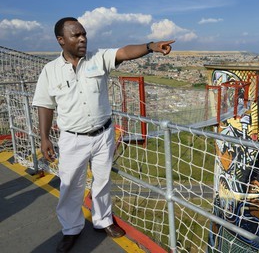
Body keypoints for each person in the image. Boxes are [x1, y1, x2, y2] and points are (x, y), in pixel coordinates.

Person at [32, 17, 175, 253]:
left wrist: (150, 46)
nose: (82, 38)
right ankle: (71, 229)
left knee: (102, 181)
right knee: (70, 186)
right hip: (72, 138)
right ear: (61, 40)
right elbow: (45, 105)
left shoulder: (98, 59)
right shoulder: (50, 71)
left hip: (103, 134)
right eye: (76, 35)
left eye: (84, 34)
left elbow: (125, 52)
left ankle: (103, 220)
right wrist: (44, 137)